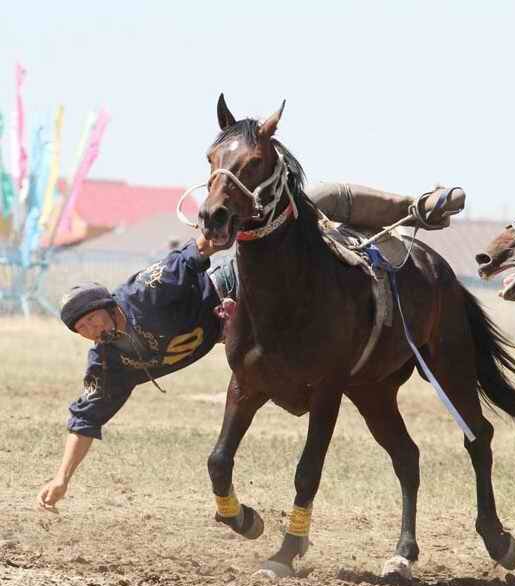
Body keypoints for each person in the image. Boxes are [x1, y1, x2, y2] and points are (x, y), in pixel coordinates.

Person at [37, 183, 465, 511]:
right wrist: (62, 479)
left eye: (89, 319)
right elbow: (86, 417)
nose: (89, 331)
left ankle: (417, 205)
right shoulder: (109, 360)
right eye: (81, 330)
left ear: (107, 305)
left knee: (312, 202)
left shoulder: (147, 291)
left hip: (235, 285)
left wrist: (222, 227)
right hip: (231, 334)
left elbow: (192, 254)